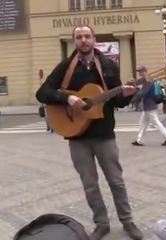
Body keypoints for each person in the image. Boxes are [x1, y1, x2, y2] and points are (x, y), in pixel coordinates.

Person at [35, 25, 143, 240]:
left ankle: (127, 221)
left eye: (87, 36)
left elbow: (118, 101)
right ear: (75, 41)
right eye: (79, 37)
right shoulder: (66, 67)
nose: (83, 40)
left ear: (94, 39)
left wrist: (129, 93)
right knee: (90, 184)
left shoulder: (108, 66)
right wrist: (67, 98)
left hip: (104, 135)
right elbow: (42, 93)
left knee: (116, 180)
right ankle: (101, 223)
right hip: (77, 136)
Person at [131, 65, 166, 146]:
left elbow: (143, 93)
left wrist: (133, 97)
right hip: (148, 106)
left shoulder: (148, 81)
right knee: (143, 124)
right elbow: (142, 91)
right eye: (139, 72)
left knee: (156, 123)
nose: (139, 73)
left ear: (145, 71)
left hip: (150, 106)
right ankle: (139, 140)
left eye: (140, 71)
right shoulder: (146, 81)